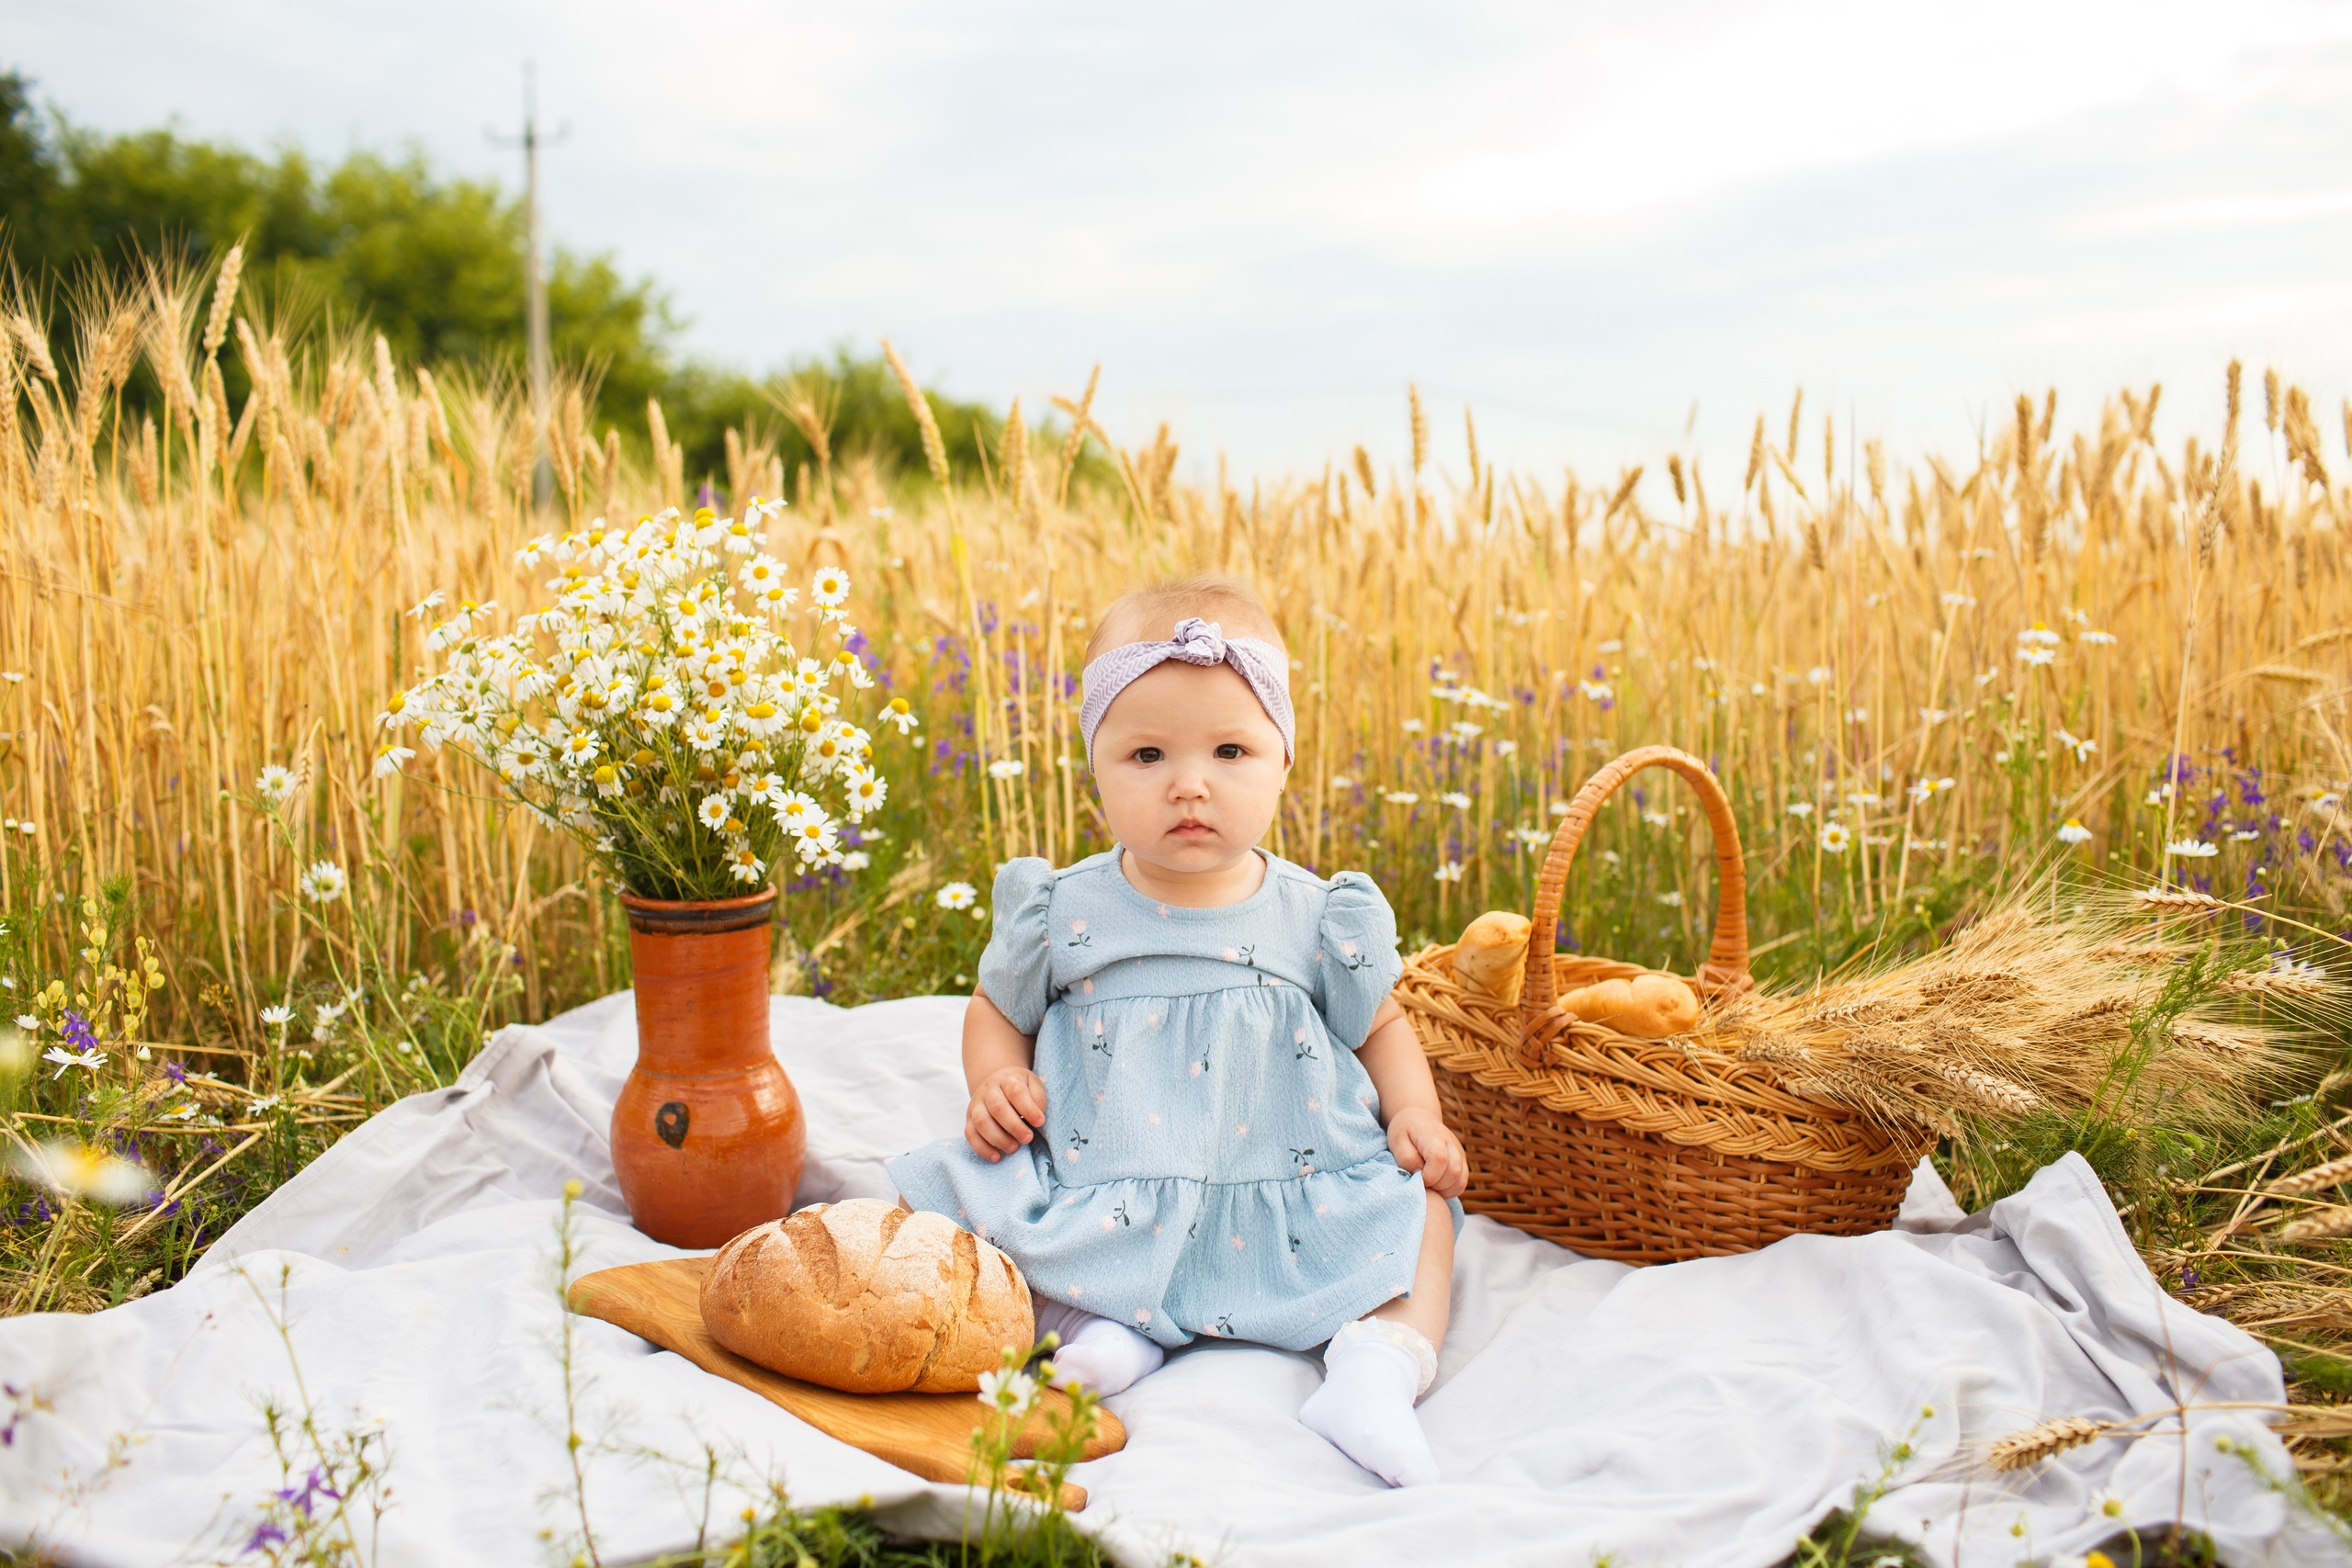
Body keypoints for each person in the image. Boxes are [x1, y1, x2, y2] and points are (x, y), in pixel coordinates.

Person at [888, 574, 1468, 1488]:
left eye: (1230, 751)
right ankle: (1099, 1324)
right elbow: (998, 1009)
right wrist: (995, 1079)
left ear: (1283, 760)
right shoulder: (1063, 909)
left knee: (1421, 1211)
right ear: (1095, 766)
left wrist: (1414, 1115)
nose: (1189, 784)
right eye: (1147, 754)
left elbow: (1380, 1023)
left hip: (1285, 1179)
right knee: (977, 1203)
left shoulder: (1319, 914)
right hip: (1112, 1178)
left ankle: (1377, 1369)